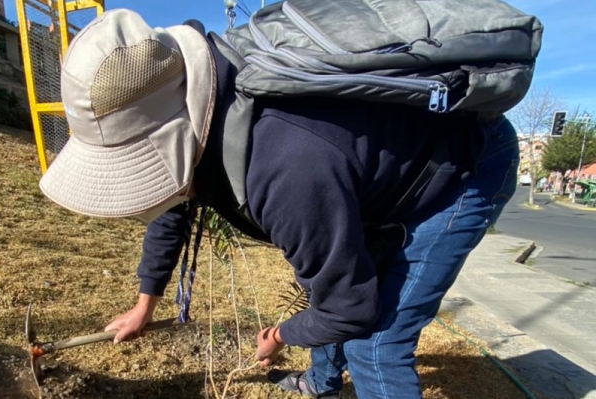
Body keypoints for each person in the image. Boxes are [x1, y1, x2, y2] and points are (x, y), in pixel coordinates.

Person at [38, 9, 520, 399]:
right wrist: (146, 303)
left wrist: (282, 334)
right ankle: (321, 383)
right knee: (329, 280)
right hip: (374, 173)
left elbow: (349, 308)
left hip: (464, 169)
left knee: (376, 344)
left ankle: (338, 375)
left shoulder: (285, 169)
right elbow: (175, 202)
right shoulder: (198, 105)